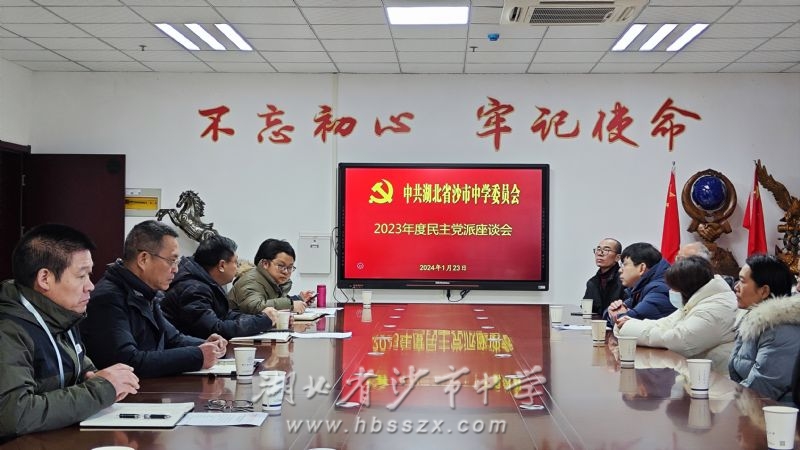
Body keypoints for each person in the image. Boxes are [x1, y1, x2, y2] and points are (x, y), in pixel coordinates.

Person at [0, 224, 139, 440]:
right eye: (81, 276)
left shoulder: (62, 314)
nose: (90, 286)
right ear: (45, 279)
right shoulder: (9, 328)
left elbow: (83, 369)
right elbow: (15, 415)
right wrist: (101, 389)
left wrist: (96, 378)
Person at [81, 220, 227, 378]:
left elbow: (173, 339)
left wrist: (206, 344)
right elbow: (128, 361)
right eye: (172, 260)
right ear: (143, 259)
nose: (176, 269)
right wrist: (198, 356)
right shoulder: (108, 299)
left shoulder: (146, 292)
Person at [615, 256, 738, 371]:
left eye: (673, 287)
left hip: (716, 380)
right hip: (697, 374)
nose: (671, 291)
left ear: (686, 287)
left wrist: (629, 328)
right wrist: (630, 323)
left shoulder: (714, 308)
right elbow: (666, 323)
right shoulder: (700, 299)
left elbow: (678, 341)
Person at [162, 235, 278, 339]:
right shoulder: (193, 289)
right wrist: (262, 321)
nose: (237, 267)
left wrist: (259, 318)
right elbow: (214, 329)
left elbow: (224, 315)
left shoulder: (204, 280)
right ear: (222, 265)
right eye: (235, 262)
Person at [729, 254, 800, 403]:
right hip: (750, 405)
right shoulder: (753, 319)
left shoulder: (779, 331)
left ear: (764, 291)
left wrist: (725, 400)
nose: (736, 287)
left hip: (777, 412)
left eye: (742, 281)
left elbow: (762, 388)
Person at [228, 238, 314, 314]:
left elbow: (271, 301)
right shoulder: (250, 281)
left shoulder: (273, 282)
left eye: (290, 267)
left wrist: (299, 299)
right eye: (281, 266)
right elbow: (255, 307)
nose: (286, 272)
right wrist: (290, 305)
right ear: (265, 264)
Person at [604, 242, 674, 325]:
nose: (620, 270)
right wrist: (612, 311)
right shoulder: (640, 287)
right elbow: (611, 313)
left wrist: (617, 315)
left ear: (642, 268)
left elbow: (628, 322)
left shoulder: (660, 289)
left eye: (625, 264)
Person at [584, 238, 624, 314]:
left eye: (606, 250)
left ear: (617, 257)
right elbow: (586, 309)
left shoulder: (624, 280)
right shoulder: (592, 283)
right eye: (598, 249)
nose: (600, 253)